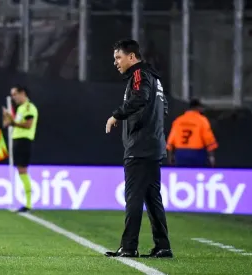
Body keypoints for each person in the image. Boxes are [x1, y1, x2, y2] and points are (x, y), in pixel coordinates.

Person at [104, 39, 172, 258]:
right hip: (154, 144)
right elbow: (164, 108)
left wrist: (117, 115)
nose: (115, 62)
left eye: (118, 57)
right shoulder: (155, 78)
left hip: (141, 147)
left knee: (133, 197)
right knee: (152, 198)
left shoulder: (139, 75)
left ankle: (129, 246)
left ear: (131, 57)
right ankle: (163, 246)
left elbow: (140, 98)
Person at [2, 85, 39, 213]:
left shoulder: (29, 107)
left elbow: (28, 125)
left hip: (24, 141)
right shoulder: (20, 109)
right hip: (17, 140)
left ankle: (28, 203)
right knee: (20, 170)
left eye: (15, 94)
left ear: (22, 93)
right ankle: (27, 202)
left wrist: (12, 122)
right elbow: (7, 125)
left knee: (23, 170)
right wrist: (7, 118)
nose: (14, 98)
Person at [167, 99, 218, 167]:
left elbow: (171, 141)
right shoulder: (202, 120)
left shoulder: (178, 120)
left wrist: (170, 157)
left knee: (183, 175)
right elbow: (209, 140)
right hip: (196, 154)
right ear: (197, 108)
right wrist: (211, 157)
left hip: (180, 154)